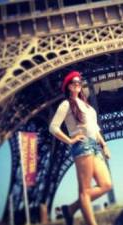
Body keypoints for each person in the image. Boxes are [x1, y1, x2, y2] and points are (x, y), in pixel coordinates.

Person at [49, 71, 112, 225]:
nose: (77, 84)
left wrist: (104, 145)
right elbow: (53, 127)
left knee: (106, 185)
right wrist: (70, 140)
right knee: (85, 190)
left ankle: (70, 209)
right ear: (68, 87)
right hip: (82, 145)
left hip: (95, 145)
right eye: (73, 82)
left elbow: (95, 129)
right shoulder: (66, 104)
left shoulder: (88, 106)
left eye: (79, 81)